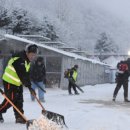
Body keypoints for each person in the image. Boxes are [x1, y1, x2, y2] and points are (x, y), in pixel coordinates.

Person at [0, 44, 38, 123]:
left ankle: (19, 116)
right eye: (31, 55)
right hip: (9, 81)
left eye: (34, 55)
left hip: (17, 82)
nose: (33, 57)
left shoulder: (27, 61)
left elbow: (26, 75)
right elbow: (22, 74)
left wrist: (30, 86)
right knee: (11, 99)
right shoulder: (19, 59)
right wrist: (30, 87)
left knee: (19, 99)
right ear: (27, 52)